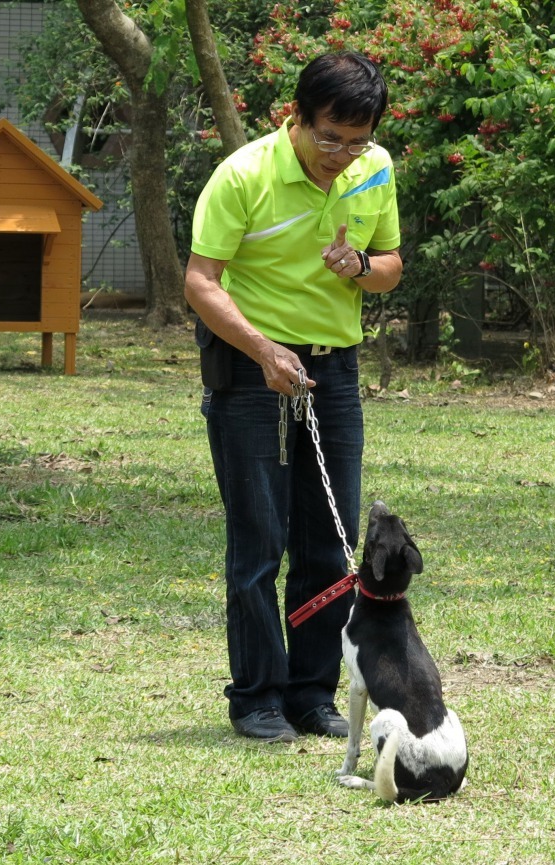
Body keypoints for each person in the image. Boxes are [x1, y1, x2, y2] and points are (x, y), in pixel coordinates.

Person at [184, 52, 403, 743]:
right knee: (259, 543)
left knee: (328, 547)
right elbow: (202, 281)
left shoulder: (377, 168)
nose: (342, 153)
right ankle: (256, 696)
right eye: (328, 135)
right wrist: (262, 349)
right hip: (253, 374)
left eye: (356, 139)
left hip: (334, 376)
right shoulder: (244, 175)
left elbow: (392, 267)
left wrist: (361, 266)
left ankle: (312, 693)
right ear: (296, 117)